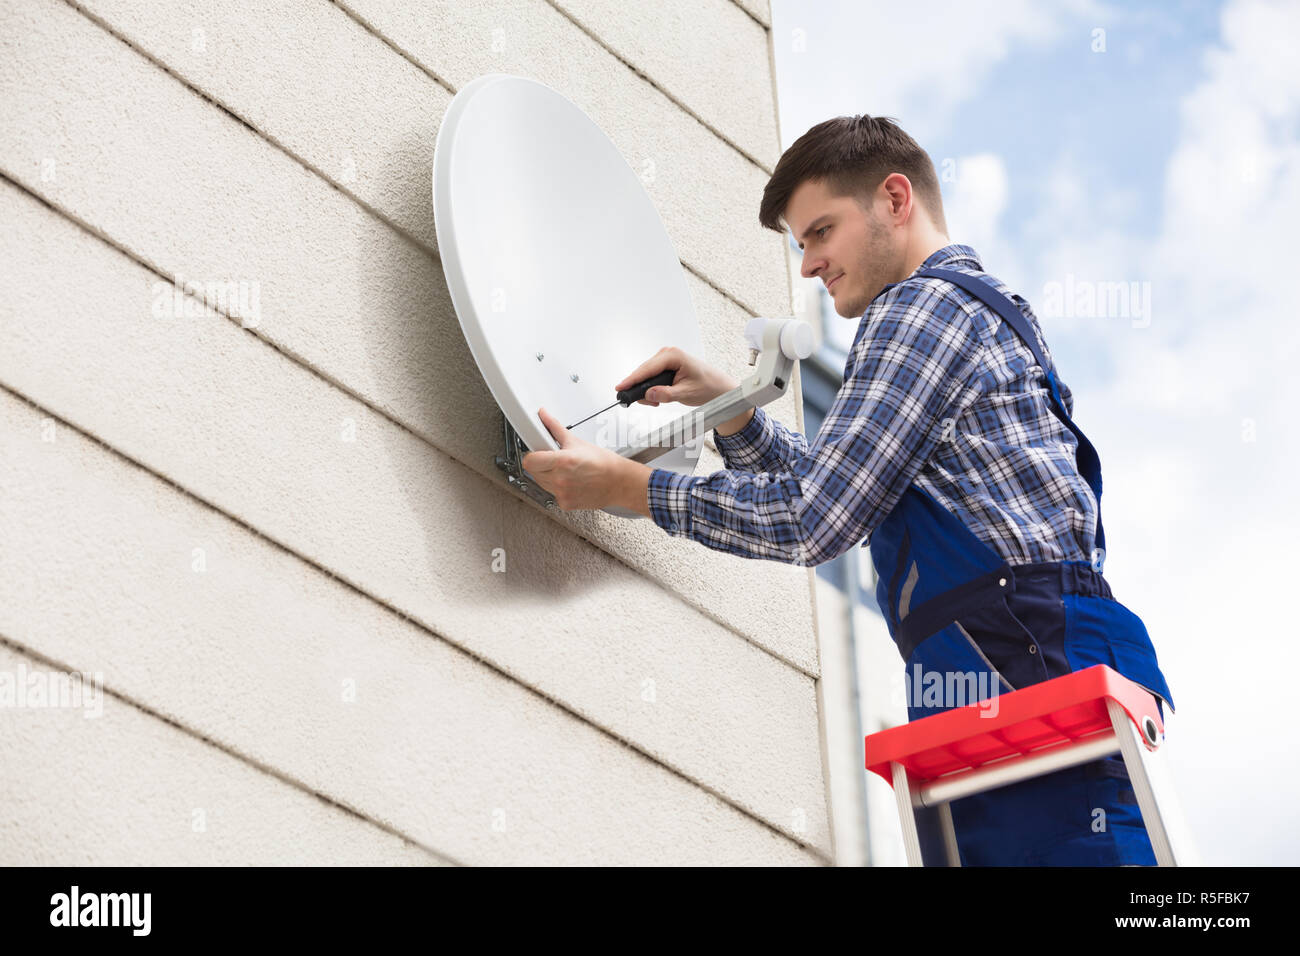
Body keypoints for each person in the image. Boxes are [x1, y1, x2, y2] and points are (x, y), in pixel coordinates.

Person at [521, 114, 1174, 865]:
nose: (808, 265)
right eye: (802, 244)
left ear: (895, 200)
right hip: (1004, 675)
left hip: (1025, 670)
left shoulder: (918, 310)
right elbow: (851, 486)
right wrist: (733, 413)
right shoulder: (965, 310)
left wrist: (632, 489)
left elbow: (815, 519)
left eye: (821, 232)